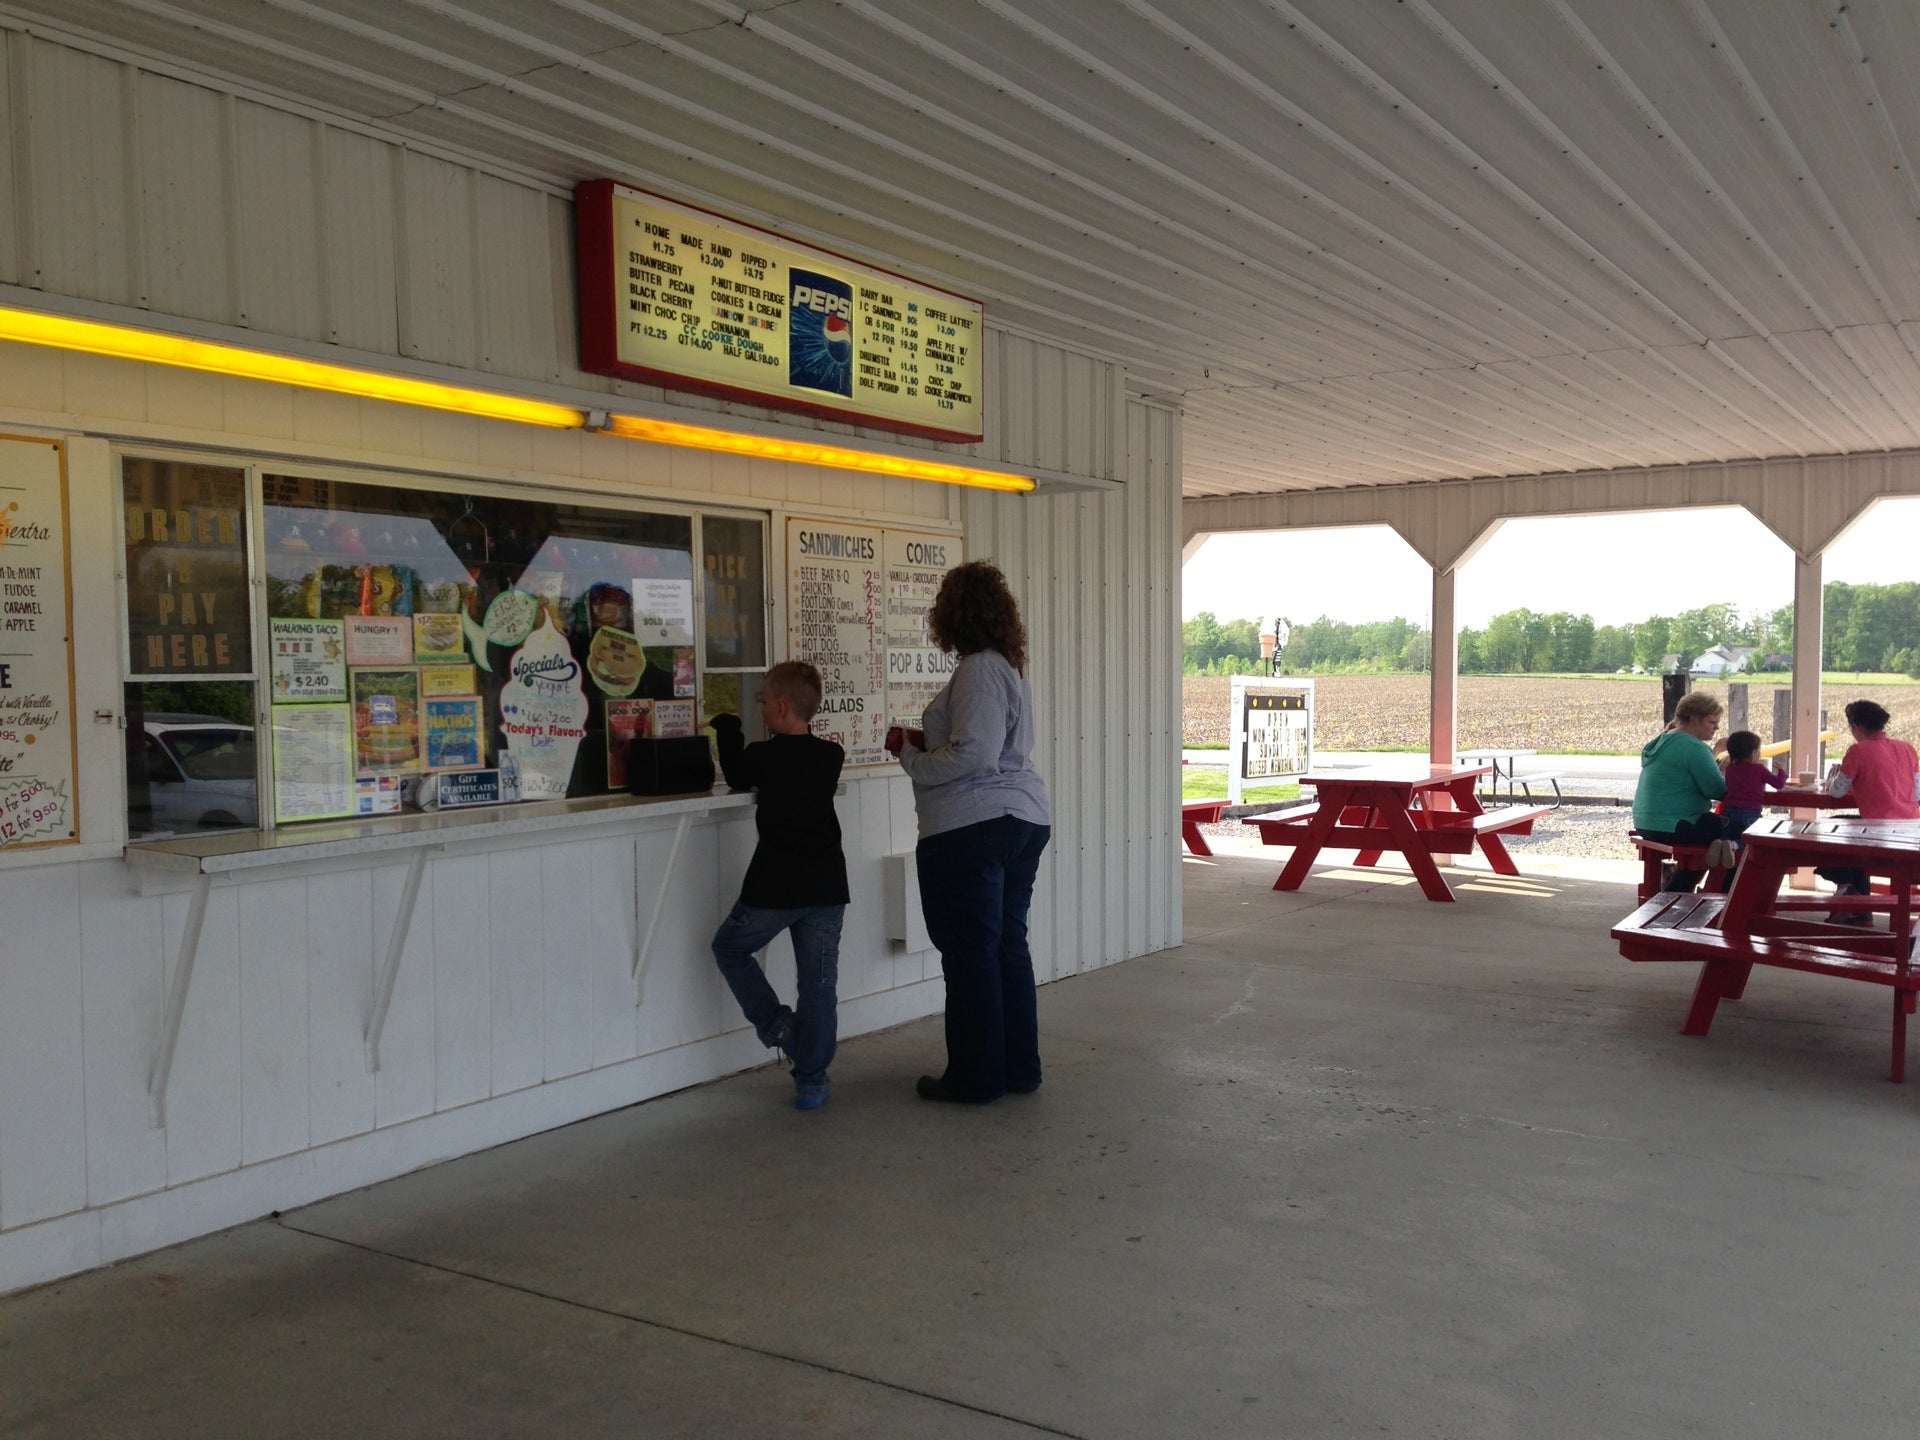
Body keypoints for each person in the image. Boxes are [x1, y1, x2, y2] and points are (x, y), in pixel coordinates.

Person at [889, 561, 1051, 1104]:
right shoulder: (1005, 667)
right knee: (1006, 946)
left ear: (952, 615)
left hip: (973, 825)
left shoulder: (979, 668)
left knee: (970, 953)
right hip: (1020, 819)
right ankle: (1016, 1069)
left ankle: (976, 1078)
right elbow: (985, 741)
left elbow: (975, 753)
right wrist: (925, 740)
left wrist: (912, 757)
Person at [708, 661, 848, 1110]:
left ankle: (778, 1028)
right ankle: (812, 1082)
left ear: (782, 707)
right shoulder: (831, 756)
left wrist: (727, 726)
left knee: (729, 948)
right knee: (819, 986)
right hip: (826, 887)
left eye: (763, 701)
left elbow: (734, 773)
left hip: (775, 886)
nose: (760, 707)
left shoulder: (762, 757)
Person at [1816, 699, 1920, 922]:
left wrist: (1836, 778)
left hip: (1878, 832)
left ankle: (1849, 891)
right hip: (1912, 828)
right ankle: (1857, 903)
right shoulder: (1908, 748)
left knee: (1829, 830)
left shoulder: (1858, 751)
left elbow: (1836, 792)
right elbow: (1917, 792)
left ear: (1856, 726)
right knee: (1846, 829)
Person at [1632, 691, 1734, 892]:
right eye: (1712, 722)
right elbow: (1718, 790)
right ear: (1694, 720)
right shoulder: (1695, 748)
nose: (1717, 727)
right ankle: (1708, 893)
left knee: (1715, 834)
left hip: (1646, 822)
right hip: (1675, 824)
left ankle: (1678, 886)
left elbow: (1686, 771)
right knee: (1734, 833)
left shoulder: (1664, 740)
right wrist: (1727, 769)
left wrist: (1713, 758)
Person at [1718, 730, 1785, 844]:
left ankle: (1721, 845)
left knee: (1727, 835)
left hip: (1729, 810)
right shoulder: (1759, 769)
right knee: (1749, 841)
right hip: (1751, 810)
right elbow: (1778, 784)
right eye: (1759, 750)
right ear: (1754, 753)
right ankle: (1734, 846)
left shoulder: (1730, 769)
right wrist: (1782, 771)